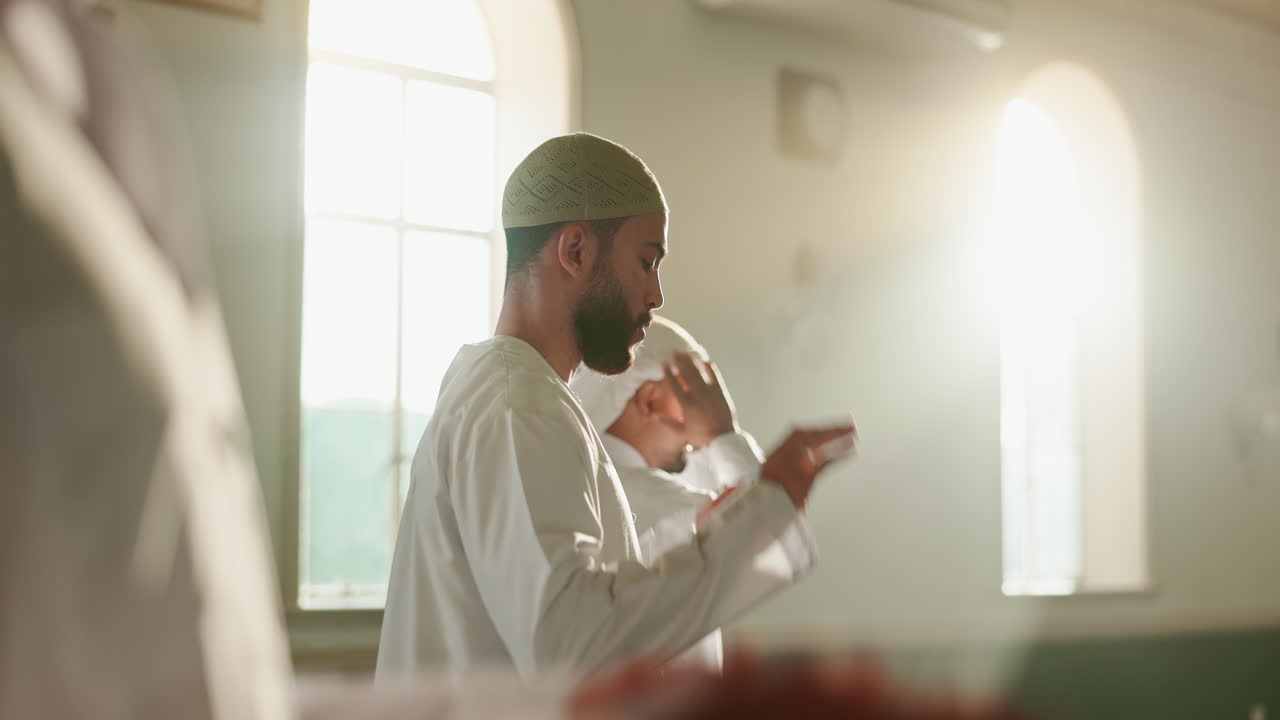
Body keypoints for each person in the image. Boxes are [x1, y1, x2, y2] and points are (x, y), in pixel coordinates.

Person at [376, 132, 857, 679]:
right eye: (647, 262)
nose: (656, 296)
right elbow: (571, 642)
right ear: (576, 251)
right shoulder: (519, 403)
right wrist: (764, 510)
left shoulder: (512, 392)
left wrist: (711, 530)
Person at [569, 315, 783, 671]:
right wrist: (722, 433)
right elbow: (774, 532)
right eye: (695, 395)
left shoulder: (577, 488)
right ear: (650, 400)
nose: (706, 408)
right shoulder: (670, 511)